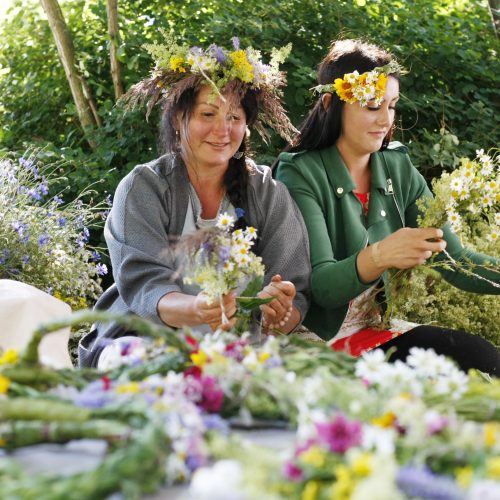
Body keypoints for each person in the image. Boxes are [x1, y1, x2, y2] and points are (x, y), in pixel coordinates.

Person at [79, 36, 310, 368]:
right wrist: (198, 309)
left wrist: (278, 311)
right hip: (145, 341)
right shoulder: (144, 188)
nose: (222, 129)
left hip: (238, 350)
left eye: (234, 117)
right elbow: (145, 286)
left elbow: (294, 293)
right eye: (208, 113)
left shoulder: (266, 192)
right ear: (178, 118)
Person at [276, 39, 500, 375]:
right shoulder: (299, 172)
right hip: (315, 337)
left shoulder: (398, 166)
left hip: (374, 332)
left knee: (483, 358)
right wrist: (381, 255)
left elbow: (455, 260)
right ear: (329, 104)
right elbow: (321, 288)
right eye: (371, 106)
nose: (385, 119)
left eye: (392, 105)